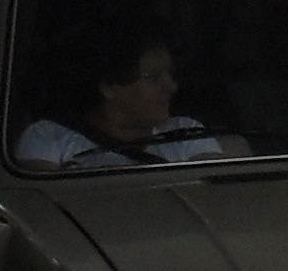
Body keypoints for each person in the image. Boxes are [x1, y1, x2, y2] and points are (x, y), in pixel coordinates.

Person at [13, 15, 239, 171]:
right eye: (152, 78)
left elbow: (210, 191)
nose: (171, 87)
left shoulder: (186, 133)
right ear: (110, 87)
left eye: (170, 74)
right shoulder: (49, 138)